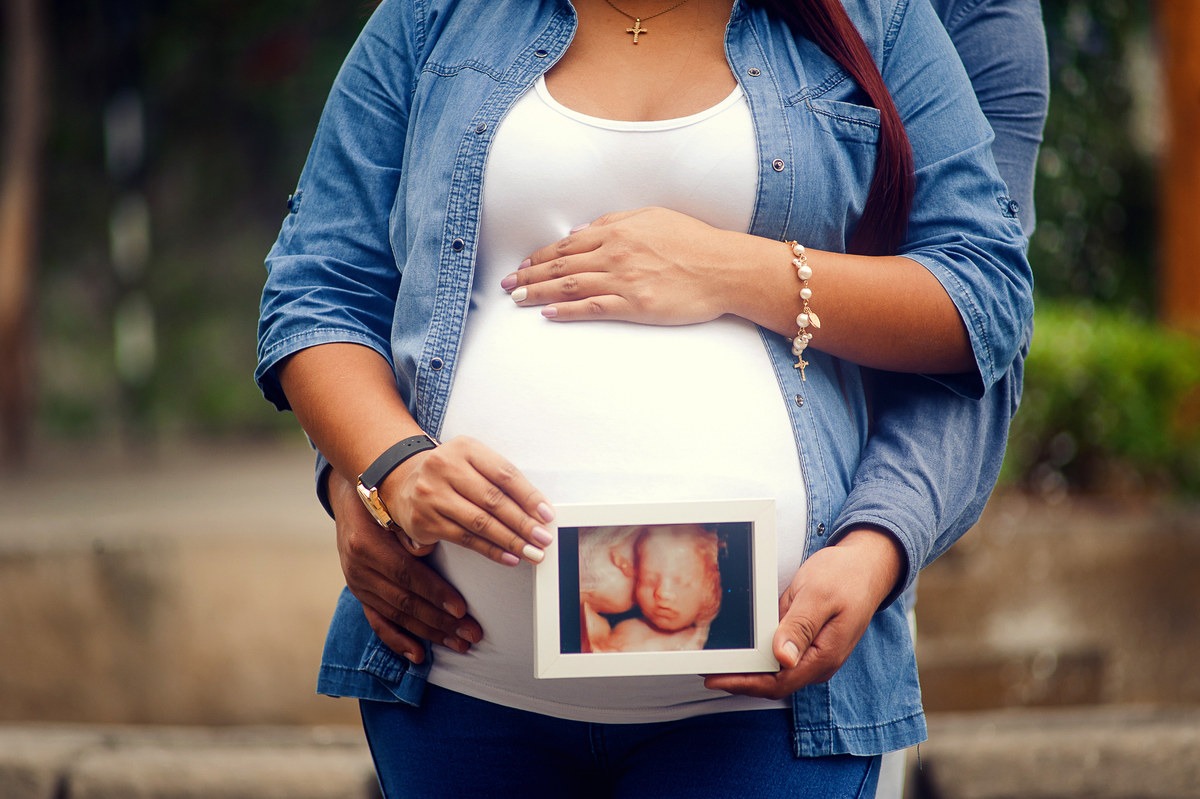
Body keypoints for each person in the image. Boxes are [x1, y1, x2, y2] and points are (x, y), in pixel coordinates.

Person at [256, 0, 1040, 795]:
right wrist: (387, 463)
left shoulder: (884, 20)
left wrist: (733, 271)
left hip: (766, 705)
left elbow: (986, 291)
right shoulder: (434, 17)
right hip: (465, 688)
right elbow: (319, 283)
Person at [585, 525, 723, 653]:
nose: (663, 593)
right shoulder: (628, 627)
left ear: (708, 588)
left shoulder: (706, 642)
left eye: (682, 583)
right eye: (648, 580)